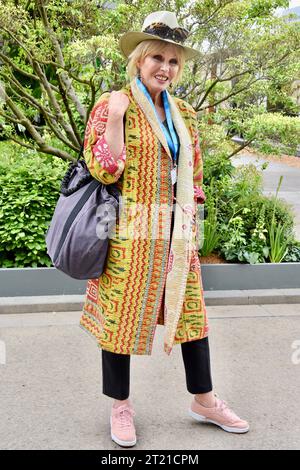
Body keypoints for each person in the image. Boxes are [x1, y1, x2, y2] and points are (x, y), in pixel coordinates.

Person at [79, 11, 249, 447]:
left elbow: (196, 175)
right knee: (120, 320)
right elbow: (102, 169)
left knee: (192, 317)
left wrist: (191, 222)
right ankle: (120, 406)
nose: (165, 68)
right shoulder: (113, 103)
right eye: (157, 57)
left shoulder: (184, 113)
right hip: (130, 233)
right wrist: (115, 119)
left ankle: (205, 400)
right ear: (138, 59)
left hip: (176, 235)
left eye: (173, 61)